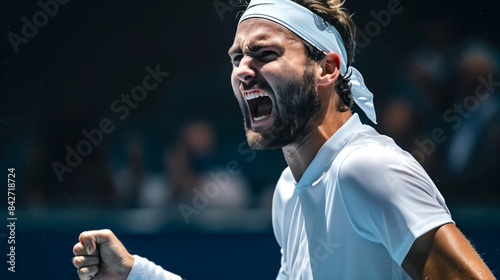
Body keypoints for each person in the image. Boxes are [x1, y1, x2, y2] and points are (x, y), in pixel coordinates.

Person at [72, 0, 496, 279]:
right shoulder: (289, 189)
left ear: (327, 69)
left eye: (265, 53)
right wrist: (135, 273)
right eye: (237, 57)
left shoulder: (367, 168)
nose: (242, 70)